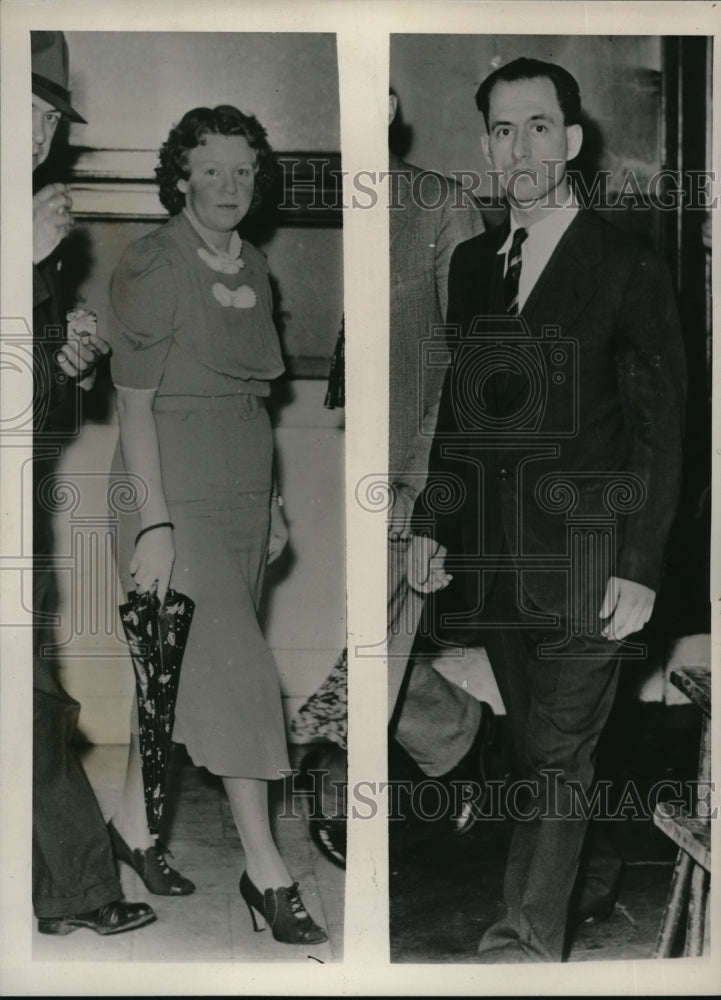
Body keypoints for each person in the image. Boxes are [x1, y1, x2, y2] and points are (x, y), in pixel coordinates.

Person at [409, 57, 685, 962]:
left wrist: (639, 567)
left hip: (590, 556)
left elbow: (662, 430)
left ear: (569, 142)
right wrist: (430, 522)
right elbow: (461, 413)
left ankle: (521, 943)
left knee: (561, 754)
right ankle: (594, 865)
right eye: (499, 129)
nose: (518, 146)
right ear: (485, 147)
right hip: (495, 559)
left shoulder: (626, 266)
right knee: (537, 750)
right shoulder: (471, 267)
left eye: (536, 126)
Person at [107, 105, 327, 945]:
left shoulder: (258, 265)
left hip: (241, 487)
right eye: (212, 169)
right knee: (236, 670)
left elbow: (256, 397)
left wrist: (272, 501)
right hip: (173, 490)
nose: (230, 185)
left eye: (244, 170)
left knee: (172, 663)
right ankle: (266, 871)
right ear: (180, 176)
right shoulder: (152, 262)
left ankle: (132, 830)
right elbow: (132, 411)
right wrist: (155, 526)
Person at [31, 30, 156, 936]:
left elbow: (32, 411)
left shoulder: (37, 219)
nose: (39, 137)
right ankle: (77, 888)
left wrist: (67, 359)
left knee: (33, 701)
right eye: (21, 114)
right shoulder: (29, 228)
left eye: (48, 120)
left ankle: (72, 890)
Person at [386, 90, 493, 833]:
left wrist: (419, 482)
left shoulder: (440, 205)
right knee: (370, 648)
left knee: (374, 649)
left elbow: (469, 361)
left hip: (415, 476)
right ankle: (467, 746)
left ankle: (470, 753)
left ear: (393, 107)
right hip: (363, 466)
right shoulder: (352, 205)